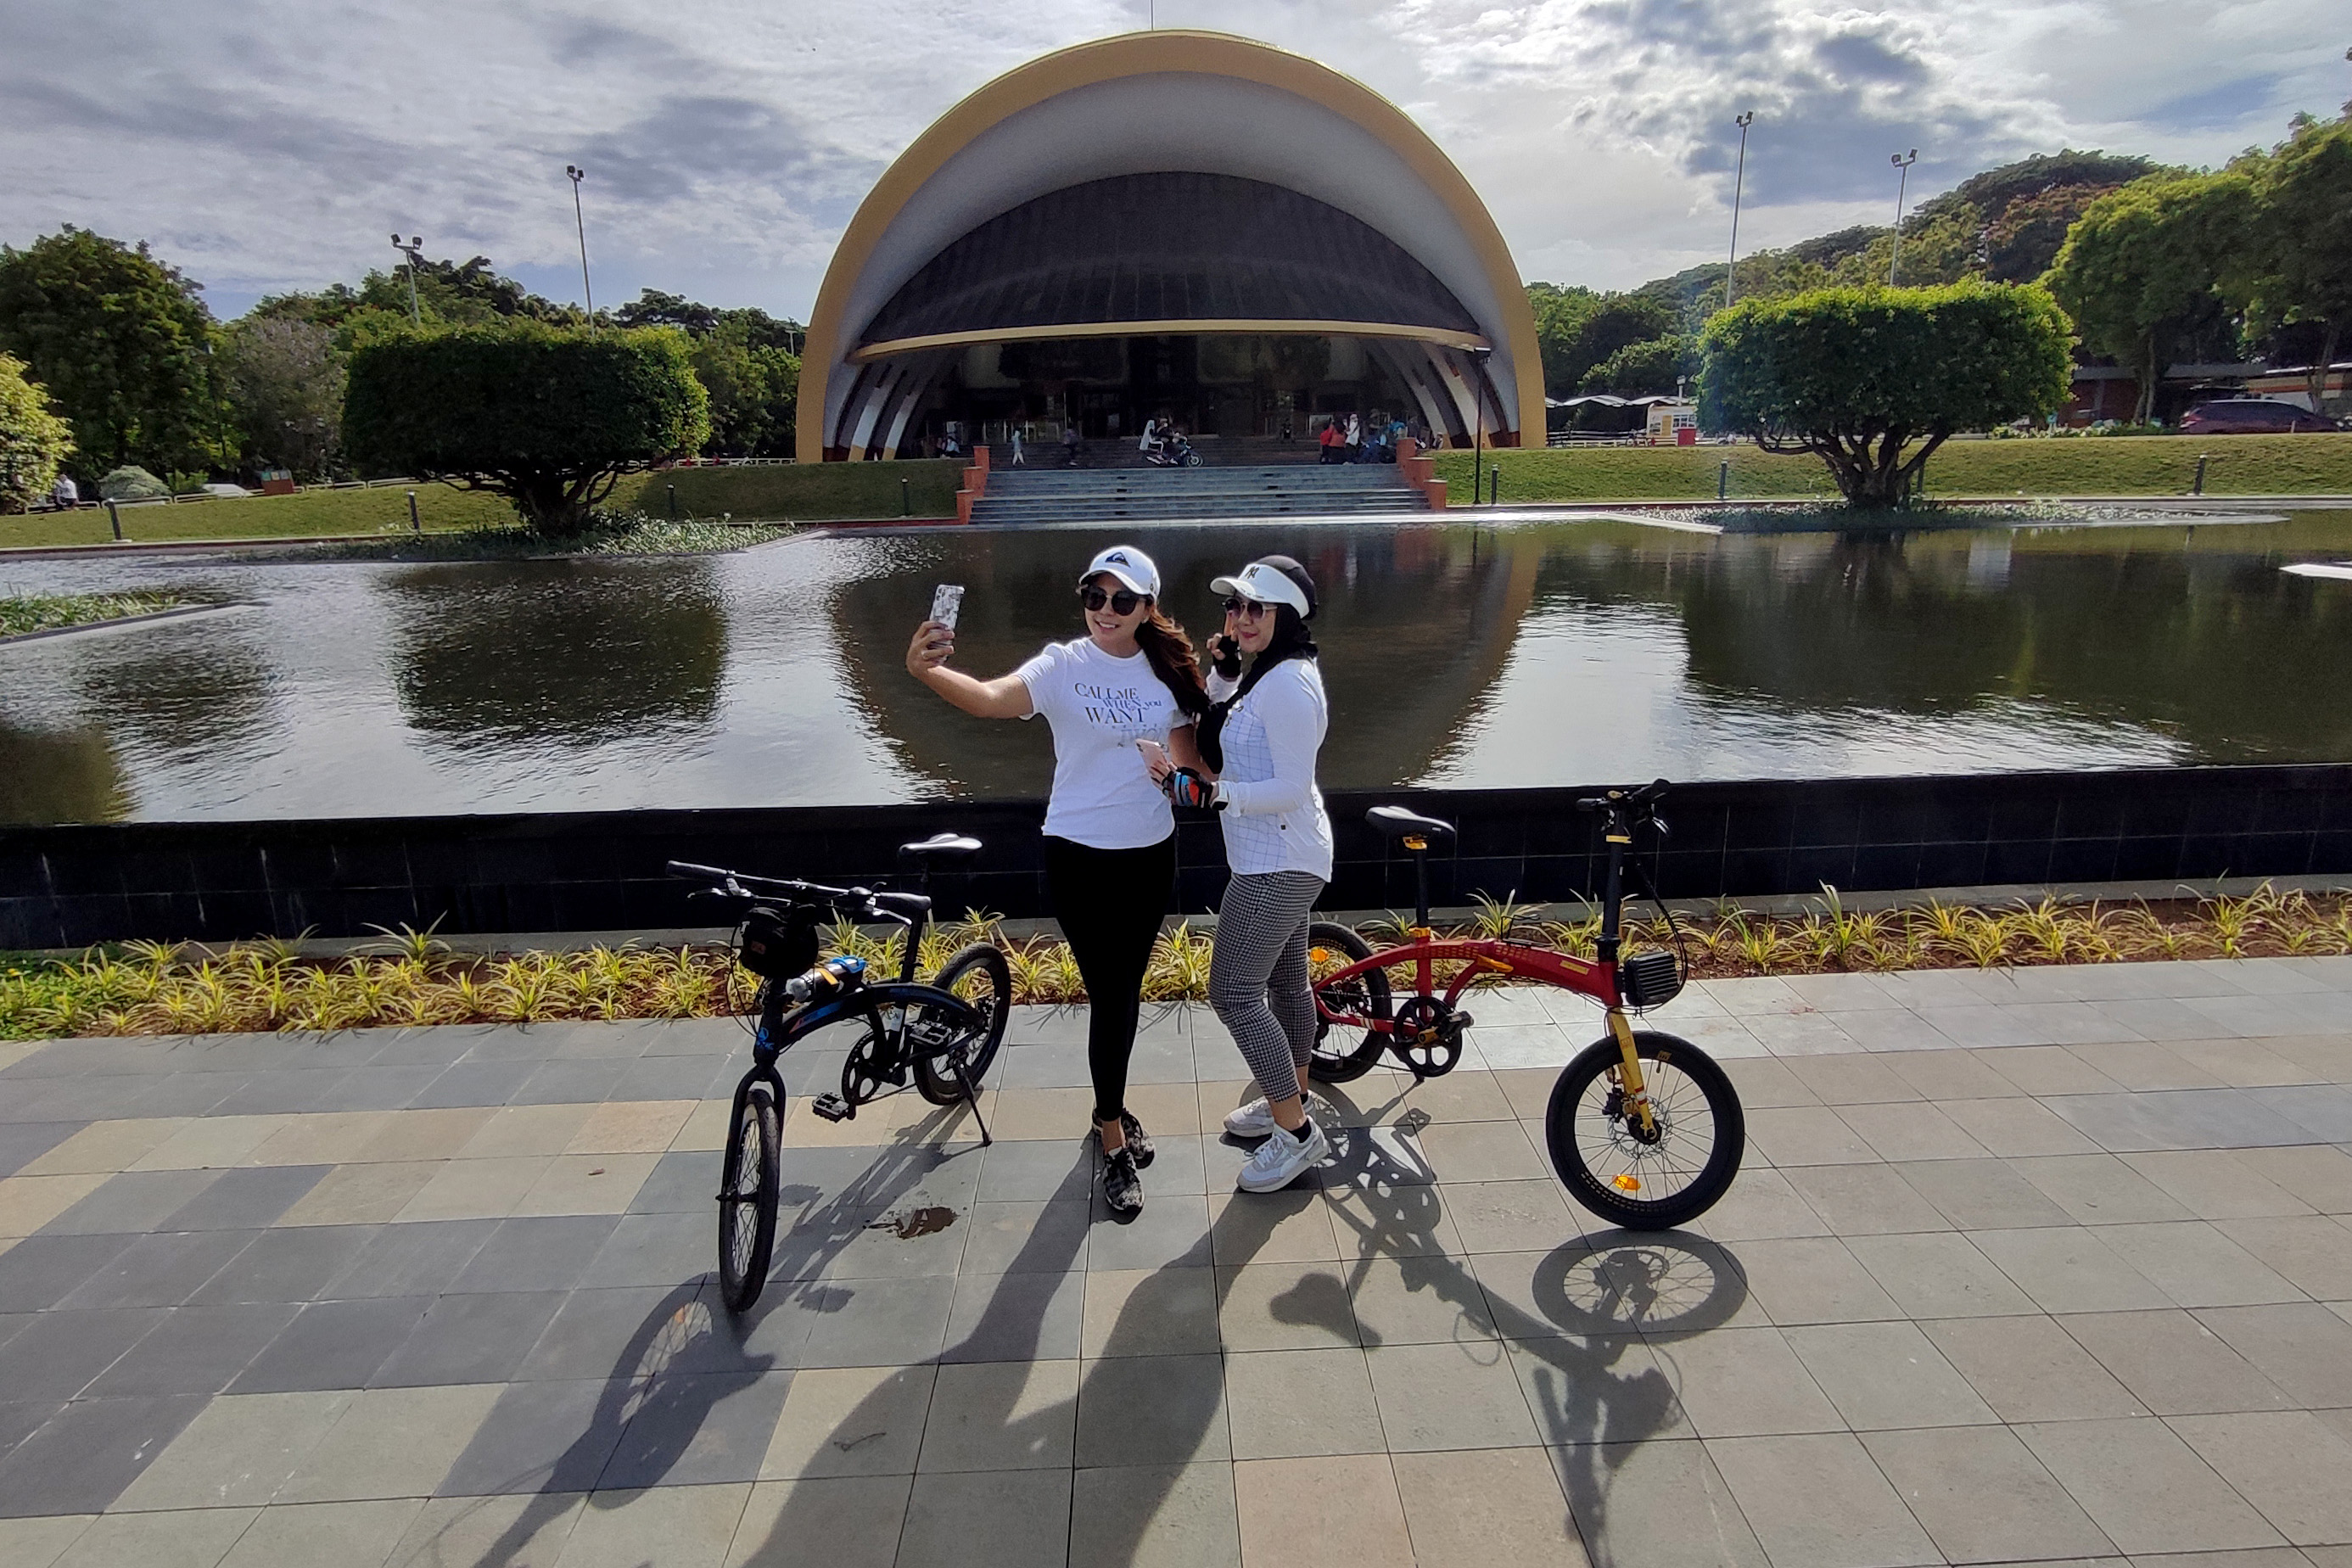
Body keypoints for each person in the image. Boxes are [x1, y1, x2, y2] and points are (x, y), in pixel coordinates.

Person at [906, 546, 1211, 1215]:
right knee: (1109, 993)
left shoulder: (1168, 676)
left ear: (1147, 609)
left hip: (1149, 855)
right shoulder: (1063, 664)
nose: (1105, 611)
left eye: (1122, 600)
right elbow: (990, 701)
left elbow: (1195, 775)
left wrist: (1194, 765)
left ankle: (1112, 1111)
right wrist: (930, 671)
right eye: (1094, 597)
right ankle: (1110, 1133)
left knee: (1121, 994)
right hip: (1076, 853)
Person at [1147, 556, 1334, 1194]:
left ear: (1287, 617)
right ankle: (1294, 1099)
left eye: (1257, 608)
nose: (1241, 618)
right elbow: (1221, 742)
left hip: (1277, 861)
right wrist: (1223, 676)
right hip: (1278, 853)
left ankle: (1297, 1135)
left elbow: (1290, 785)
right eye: (1235, 606)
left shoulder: (1289, 684)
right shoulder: (1264, 674)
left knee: (1232, 993)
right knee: (1287, 988)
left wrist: (1217, 798)